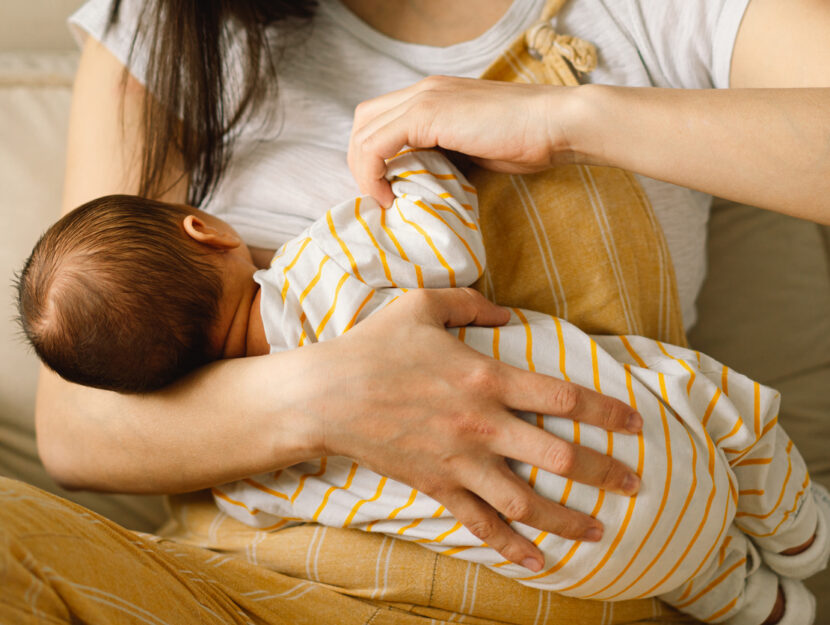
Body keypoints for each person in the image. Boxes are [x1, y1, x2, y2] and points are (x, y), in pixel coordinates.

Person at [10, 0, 829, 622]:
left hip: (558, 586)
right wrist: (334, 398)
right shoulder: (173, 25)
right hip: (248, 591)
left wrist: (570, 118)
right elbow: (82, 424)